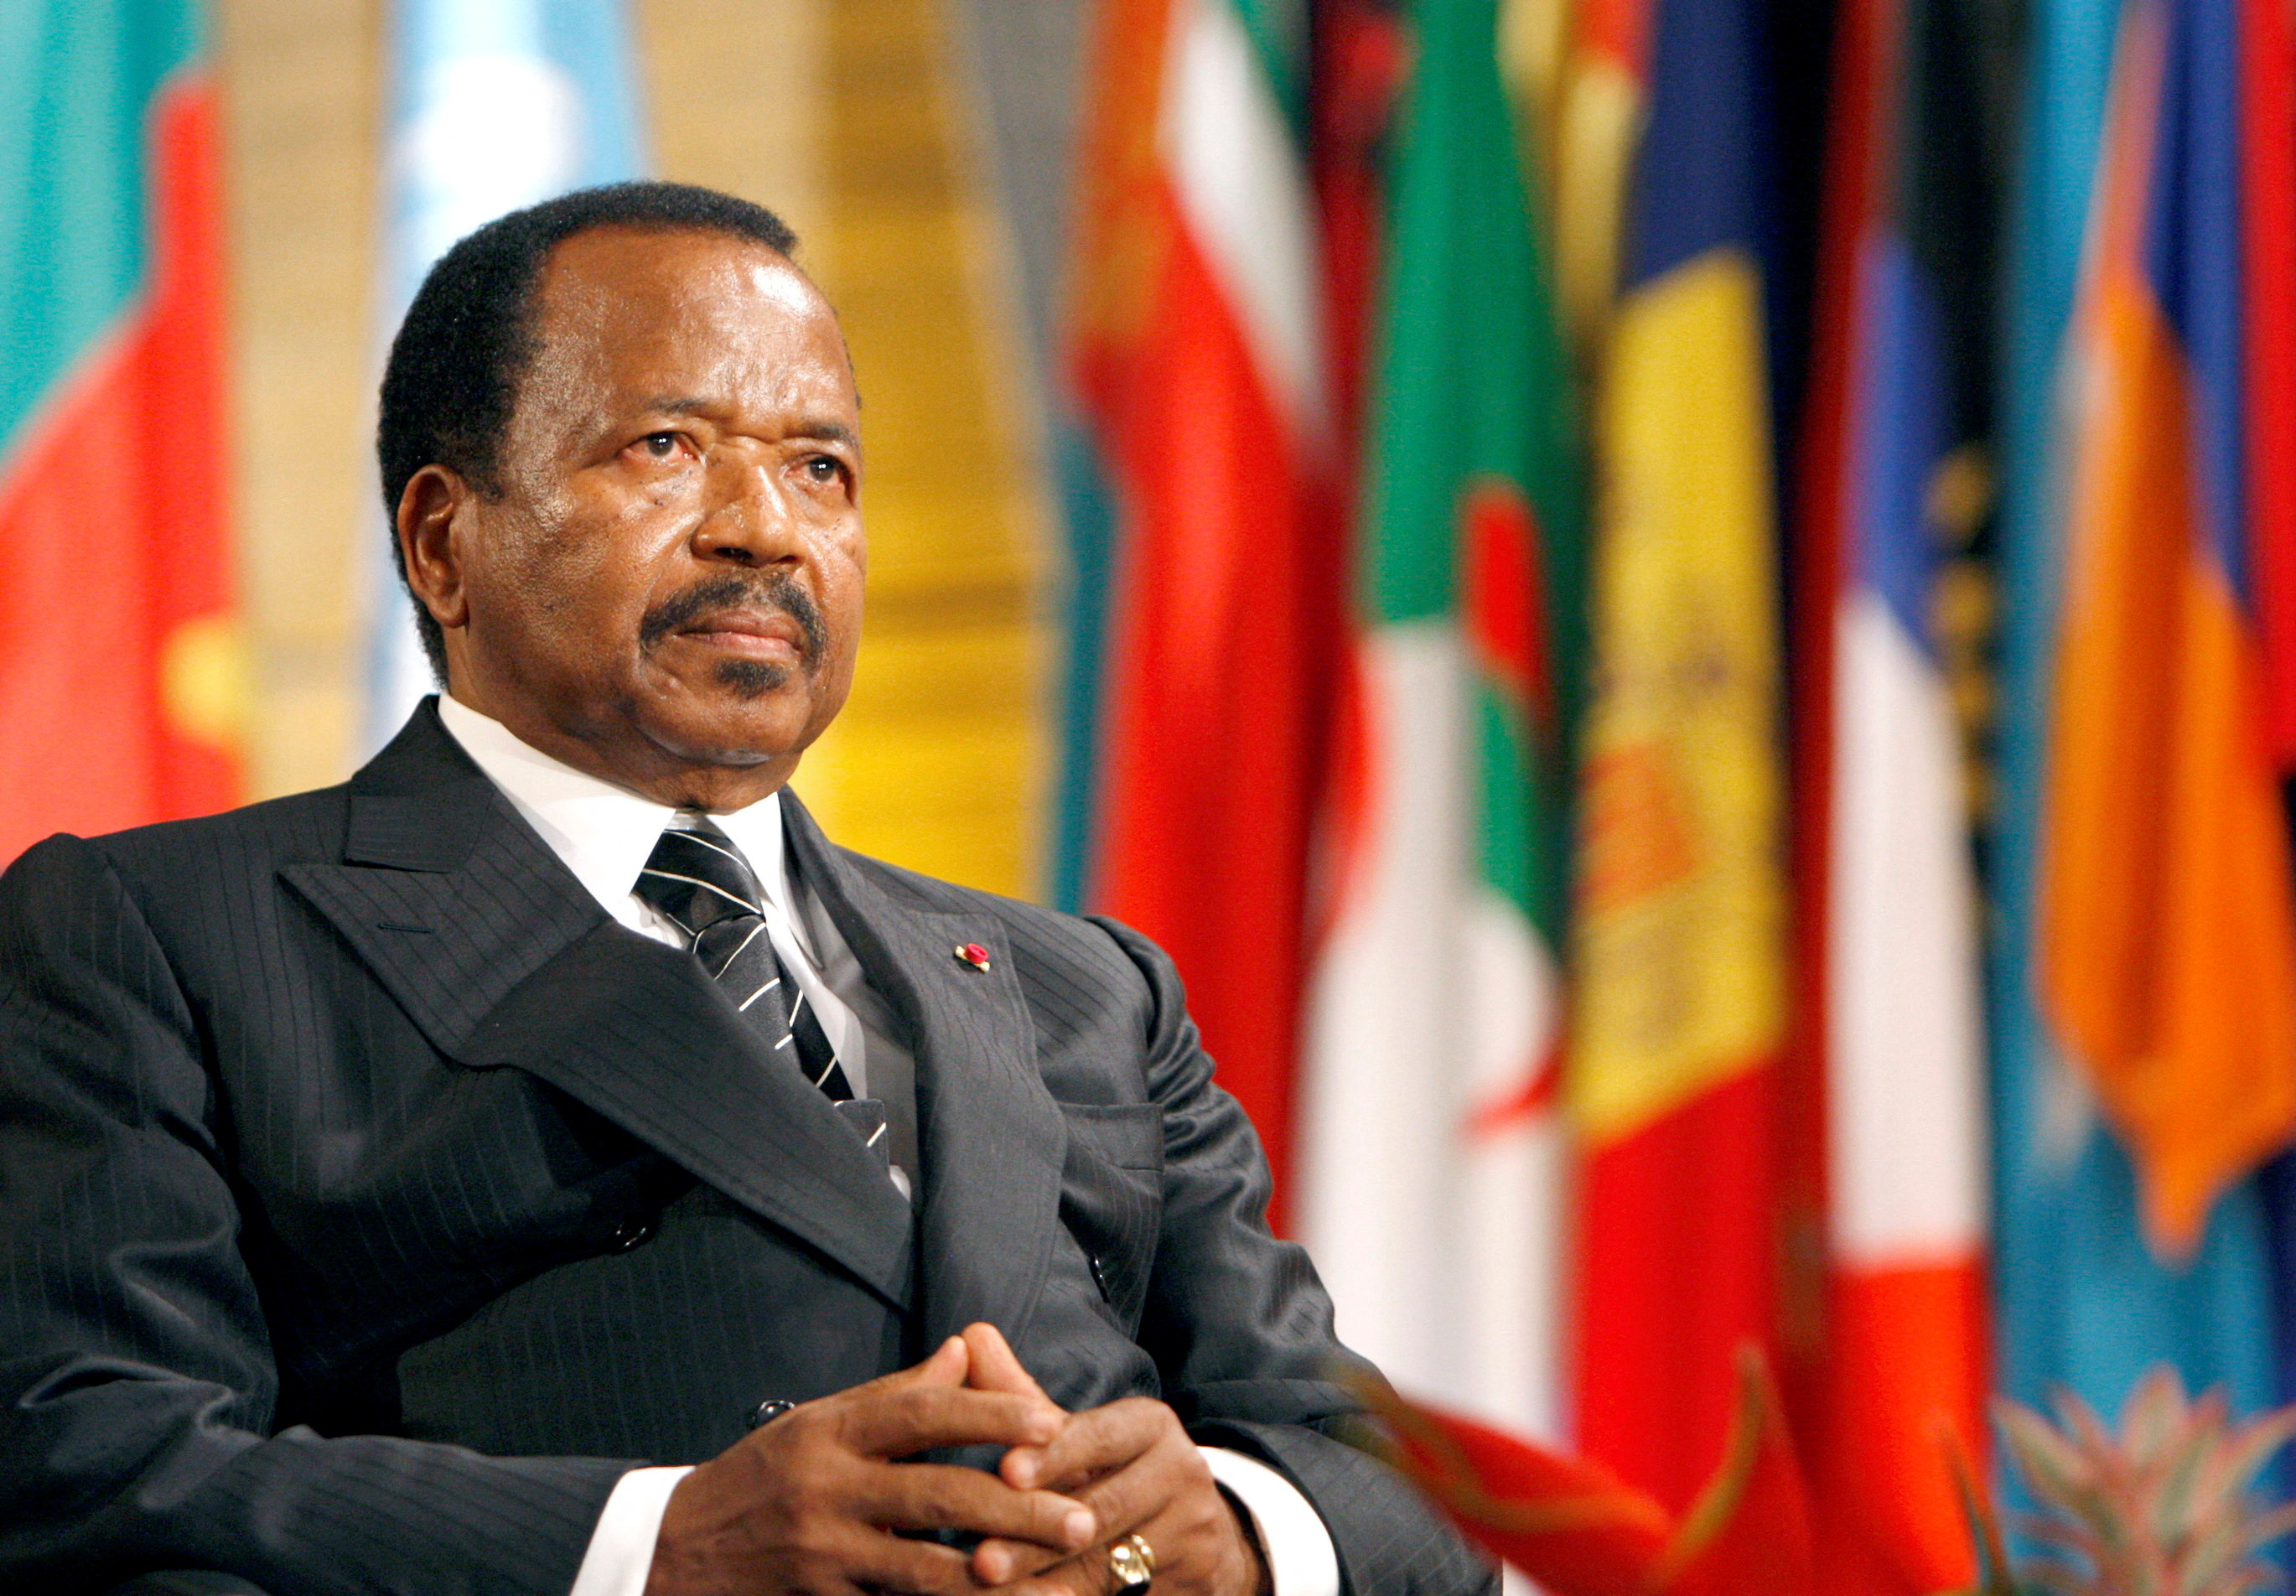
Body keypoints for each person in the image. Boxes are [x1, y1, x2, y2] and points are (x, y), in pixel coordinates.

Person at [0, 184, 1490, 1596]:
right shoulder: (157, 938)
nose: (767, 529)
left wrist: (1236, 1527)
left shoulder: (1086, 990)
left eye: (820, 467)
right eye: (665, 448)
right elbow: (83, 1471)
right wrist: (656, 1544)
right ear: (444, 542)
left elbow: (1399, 1491)